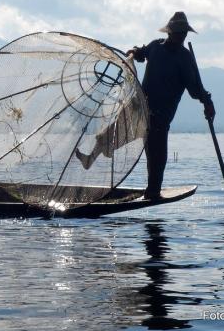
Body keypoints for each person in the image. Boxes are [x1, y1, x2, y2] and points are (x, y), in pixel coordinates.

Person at [75, 11, 215, 199]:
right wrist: (133, 53)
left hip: (161, 115)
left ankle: (153, 191)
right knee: (112, 133)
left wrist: (207, 102)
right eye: (178, 33)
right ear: (170, 32)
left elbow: (195, 88)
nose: (181, 36)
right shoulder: (156, 46)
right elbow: (140, 53)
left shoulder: (184, 57)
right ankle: (89, 158)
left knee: (156, 156)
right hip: (138, 107)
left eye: (184, 34)